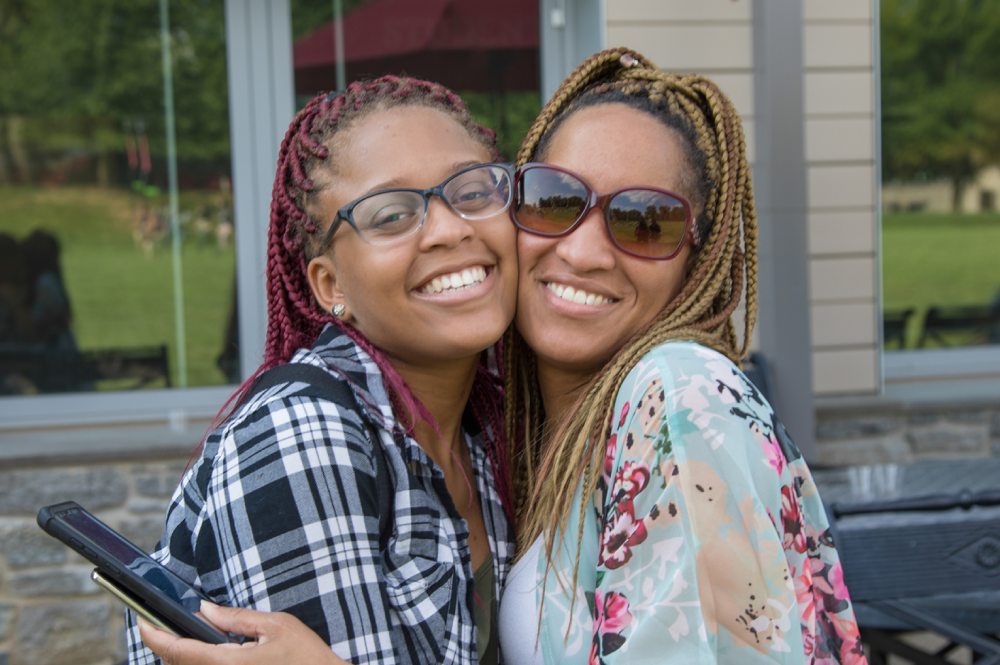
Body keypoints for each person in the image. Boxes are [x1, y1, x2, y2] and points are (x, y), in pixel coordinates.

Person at [139, 47, 866, 664]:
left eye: (644, 221)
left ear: (694, 259)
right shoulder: (427, 437)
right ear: (329, 284)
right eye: (555, 199)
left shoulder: (678, 393)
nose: (582, 250)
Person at [126, 75, 518, 665]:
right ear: (331, 285)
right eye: (391, 215)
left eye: (472, 190)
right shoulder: (301, 432)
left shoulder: (483, 438)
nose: (451, 228)